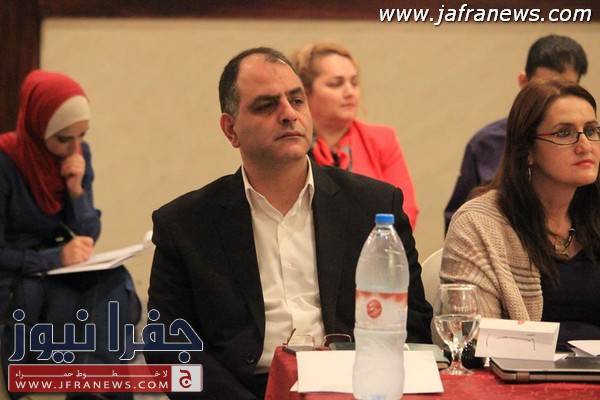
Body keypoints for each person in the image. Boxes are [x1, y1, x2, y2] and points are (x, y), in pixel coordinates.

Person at [146, 47, 432, 399]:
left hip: (354, 386)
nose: (288, 114)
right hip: (244, 390)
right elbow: (168, 347)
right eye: (266, 105)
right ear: (230, 129)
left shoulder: (374, 206)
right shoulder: (185, 224)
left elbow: (413, 325)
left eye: (297, 101)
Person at [0, 70, 139, 400]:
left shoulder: (78, 156)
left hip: (56, 270)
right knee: (82, 306)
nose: (74, 148)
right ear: (37, 126)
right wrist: (55, 258)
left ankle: (94, 388)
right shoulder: (5, 163)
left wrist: (76, 191)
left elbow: (88, 234)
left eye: (82, 136)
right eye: (64, 139)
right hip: (16, 276)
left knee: (116, 281)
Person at [441, 79, 600, 345]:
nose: (585, 145)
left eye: (592, 130)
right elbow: (472, 339)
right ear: (527, 151)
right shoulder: (479, 225)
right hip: (516, 371)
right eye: (564, 133)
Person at [444, 35, 588, 232]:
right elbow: (457, 222)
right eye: (545, 87)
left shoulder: (588, 148)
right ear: (523, 82)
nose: (556, 98)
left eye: (567, 88)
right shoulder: (486, 143)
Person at [291, 42, 419, 229]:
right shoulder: (290, 143)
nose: (350, 92)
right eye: (336, 84)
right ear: (304, 92)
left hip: (375, 243)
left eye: (354, 83)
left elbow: (406, 212)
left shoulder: (382, 140)